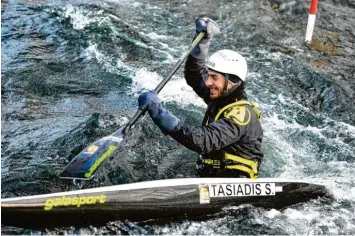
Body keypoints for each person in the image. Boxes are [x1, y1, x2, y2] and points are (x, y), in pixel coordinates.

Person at [138, 18, 263, 179]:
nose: (209, 82)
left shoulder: (242, 115)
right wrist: (203, 40)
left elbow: (204, 141)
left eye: (215, 78)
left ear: (232, 82)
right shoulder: (220, 96)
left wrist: (160, 114)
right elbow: (194, 74)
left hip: (236, 182)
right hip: (211, 177)